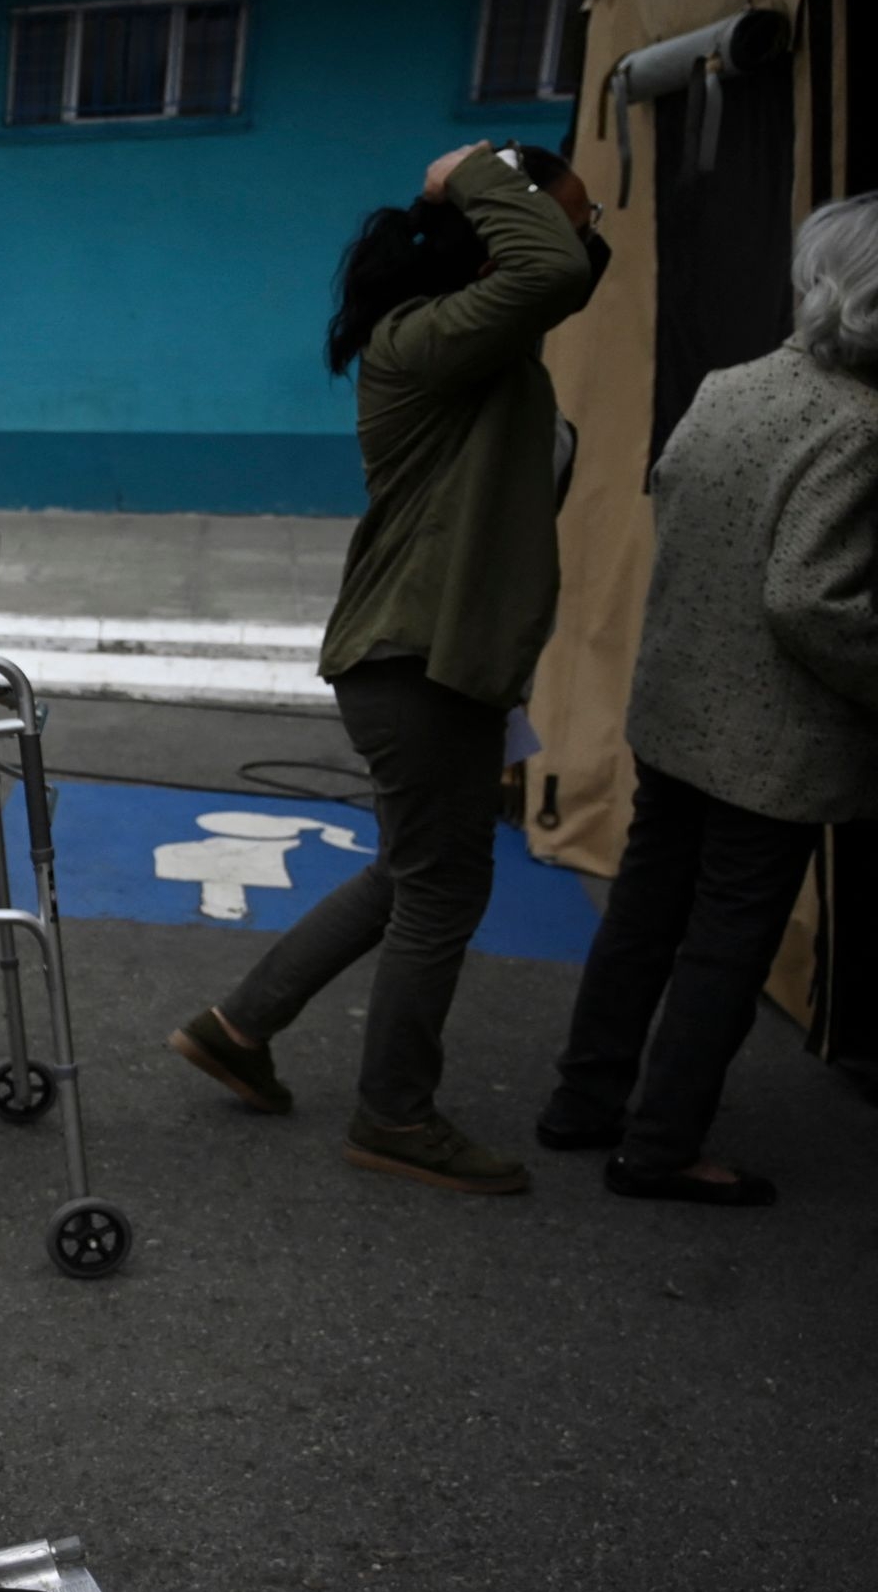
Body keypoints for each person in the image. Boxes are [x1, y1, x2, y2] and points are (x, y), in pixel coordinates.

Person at [168, 140, 603, 1195]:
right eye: (574, 218)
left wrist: (507, 200)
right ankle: (395, 1115)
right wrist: (474, 174)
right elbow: (551, 268)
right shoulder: (424, 340)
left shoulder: (481, 347)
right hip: (416, 660)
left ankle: (239, 1026)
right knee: (443, 887)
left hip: (431, 659)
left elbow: (562, 271)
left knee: (412, 869)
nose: (590, 243)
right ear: (497, 232)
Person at [534, 194, 878, 1207]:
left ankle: (582, 1101)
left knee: (644, 912)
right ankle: (661, 1146)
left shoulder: (733, 385)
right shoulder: (861, 426)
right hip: (771, 742)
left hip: (677, 706)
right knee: (728, 939)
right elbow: (811, 598)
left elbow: (680, 506)